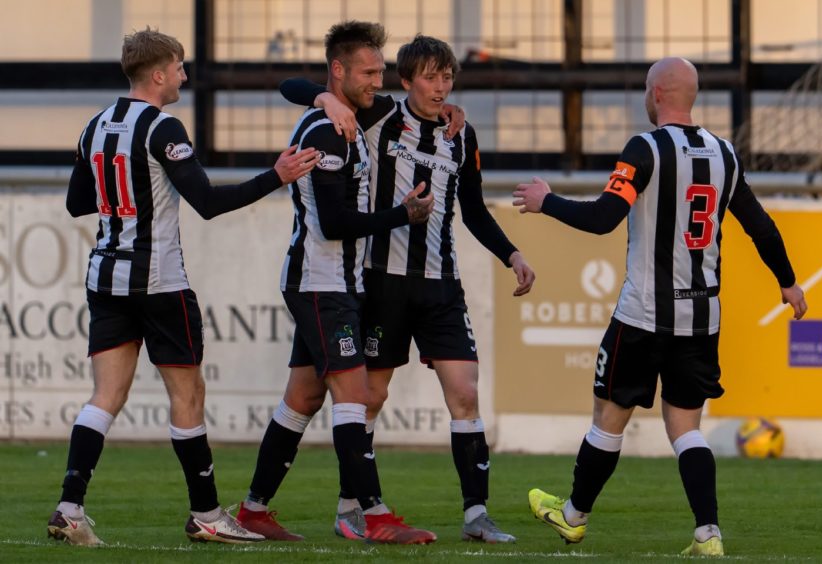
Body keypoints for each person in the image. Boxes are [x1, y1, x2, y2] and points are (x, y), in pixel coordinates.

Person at [513, 57, 807, 557]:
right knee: (686, 428)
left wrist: (548, 201)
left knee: (610, 415)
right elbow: (759, 224)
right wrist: (789, 282)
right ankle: (708, 534)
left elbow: (605, 218)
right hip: (702, 318)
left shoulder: (643, 149)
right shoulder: (724, 154)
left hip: (644, 315)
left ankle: (574, 517)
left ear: (655, 93)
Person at [47, 27, 320, 546]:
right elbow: (209, 203)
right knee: (187, 394)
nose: (184, 76)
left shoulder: (94, 126)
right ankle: (208, 515)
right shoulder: (163, 126)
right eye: (178, 68)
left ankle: (69, 507)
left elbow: (76, 204)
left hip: (106, 275)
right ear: (157, 74)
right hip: (158, 281)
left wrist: (122, 195)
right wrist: (276, 176)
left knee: (104, 396)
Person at [278, 34, 535, 544]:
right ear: (406, 80)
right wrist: (324, 97)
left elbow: (475, 210)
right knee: (369, 397)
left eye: (448, 78)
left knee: (464, 392)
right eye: (431, 78)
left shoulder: (461, 135)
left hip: (441, 285)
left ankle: (476, 515)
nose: (441, 88)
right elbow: (290, 84)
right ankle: (351, 506)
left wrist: (513, 254)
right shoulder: (378, 118)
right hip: (382, 284)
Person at [233, 21, 439, 545]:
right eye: (369, 72)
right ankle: (369, 514)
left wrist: (329, 95)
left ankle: (254, 509)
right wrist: (402, 215)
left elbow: (293, 87)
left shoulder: (351, 111)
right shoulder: (326, 130)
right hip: (320, 284)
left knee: (302, 399)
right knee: (355, 393)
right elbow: (333, 223)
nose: (379, 81)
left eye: (380, 71)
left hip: (333, 282)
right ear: (340, 70)